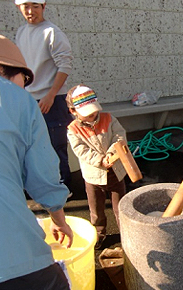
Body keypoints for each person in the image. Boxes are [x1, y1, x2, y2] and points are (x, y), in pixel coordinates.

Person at [0, 33, 73, 290]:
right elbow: (42, 174)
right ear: (1, 68)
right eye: (24, 79)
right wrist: (58, 217)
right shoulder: (16, 98)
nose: (24, 87)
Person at [15, 0, 74, 192]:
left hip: (53, 100)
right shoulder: (21, 32)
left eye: (35, 6)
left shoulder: (52, 32)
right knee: (32, 146)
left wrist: (50, 95)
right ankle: (41, 186)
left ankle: (64, 188)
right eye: (26, 6)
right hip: (28, 99)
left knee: (56, 146)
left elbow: (64, 66)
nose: (30, 11)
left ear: (44, 7)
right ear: (19, 8)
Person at [66, 84, 127, 250]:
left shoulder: (108, 118)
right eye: (87, 113)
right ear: (73, 111)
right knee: (96, 210)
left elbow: (119, 136)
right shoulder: (73, 130)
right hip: (93, 177)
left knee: (121, 208)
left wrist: (112, 152)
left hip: (115, 172)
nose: (93, 115)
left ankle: (127, 235)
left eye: (94, 110)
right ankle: (99, 233)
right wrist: (100, 160)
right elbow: (81, 151)